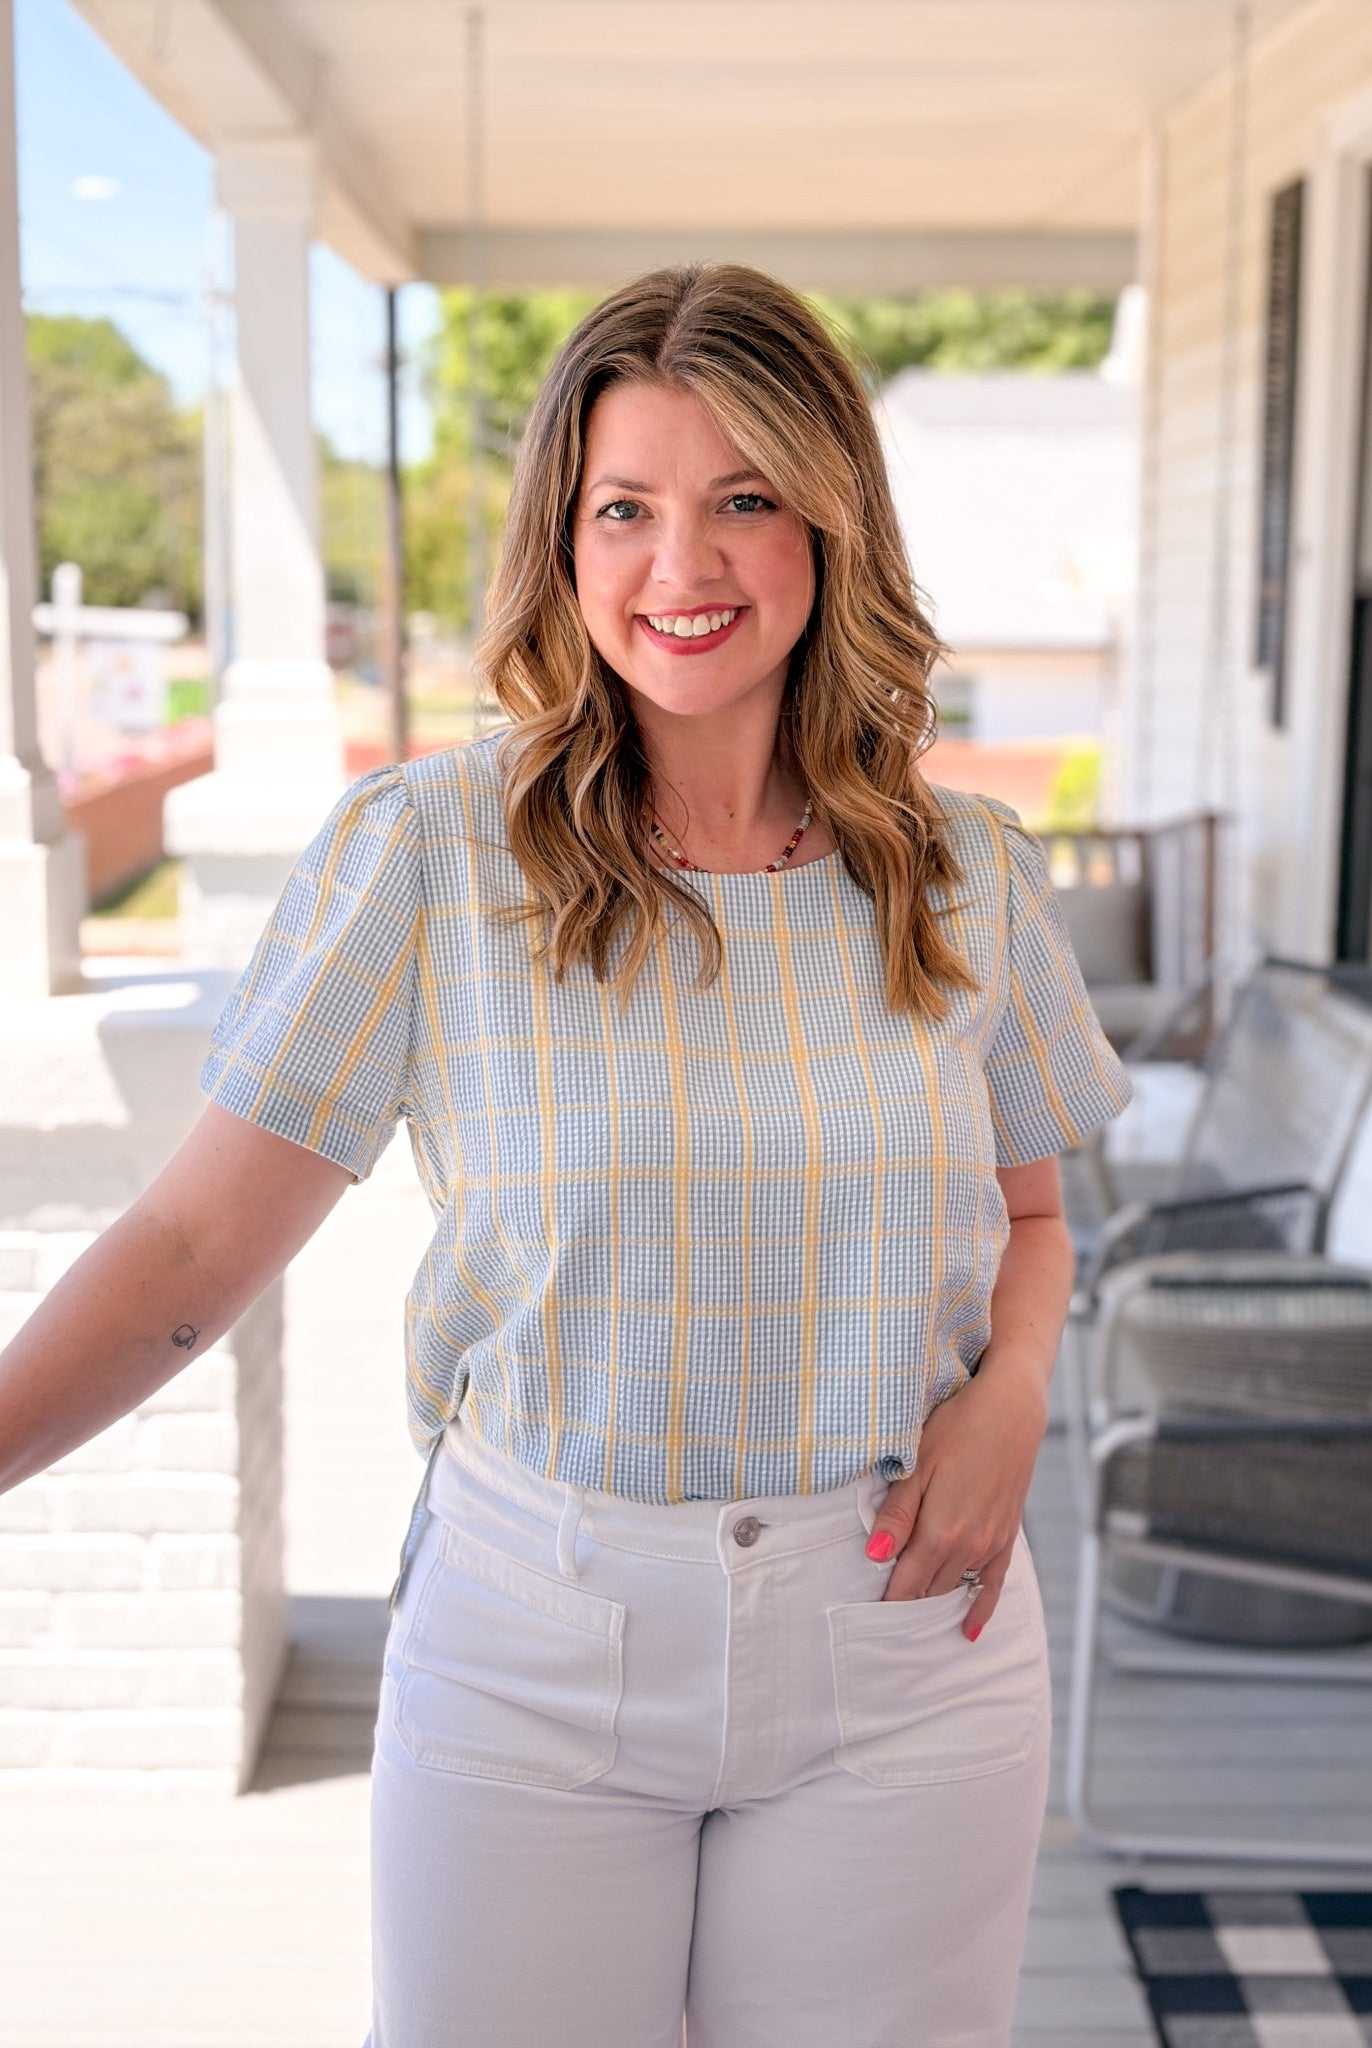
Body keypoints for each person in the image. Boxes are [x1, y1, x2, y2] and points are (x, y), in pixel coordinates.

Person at [0, 262, 1133, 2048]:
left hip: (906, 1635)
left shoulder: (965, 870)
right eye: (628, 509)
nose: (682, 565)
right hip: (535, 1641)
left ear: (829, 525)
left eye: (744, 500)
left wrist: (1012, 1402)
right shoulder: (428, 854)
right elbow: (191, 1250)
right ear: (564, 537)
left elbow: (1036, 1213)